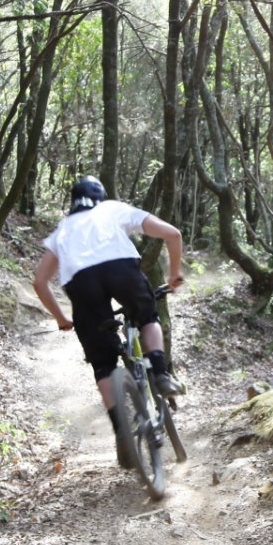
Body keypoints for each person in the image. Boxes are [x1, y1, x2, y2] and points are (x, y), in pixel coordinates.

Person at [32, 176, 185, 468]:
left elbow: (40, 281)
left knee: (103, 364)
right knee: (147, 317)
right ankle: (160, 372)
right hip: (121, 271)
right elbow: (173, 234)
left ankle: (122, 434)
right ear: (99, 196)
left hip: (81, 284)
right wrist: (174, 275)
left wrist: (62, 318)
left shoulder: (62, 231)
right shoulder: (112, 209)